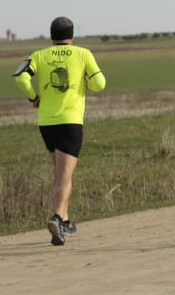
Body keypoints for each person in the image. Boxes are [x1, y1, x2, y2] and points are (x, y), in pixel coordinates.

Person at [13, 16, 107, 246]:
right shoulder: (83, 54)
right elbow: (100, 84)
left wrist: (33, 97)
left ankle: (64, 221)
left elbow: (21, 77)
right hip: (70, 122)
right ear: (72, 36)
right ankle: (56, 217)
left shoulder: (38, 55)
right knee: (64, 176)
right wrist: (85, 82)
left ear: (51, 36)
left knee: (60, 174)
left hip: (46, 123)